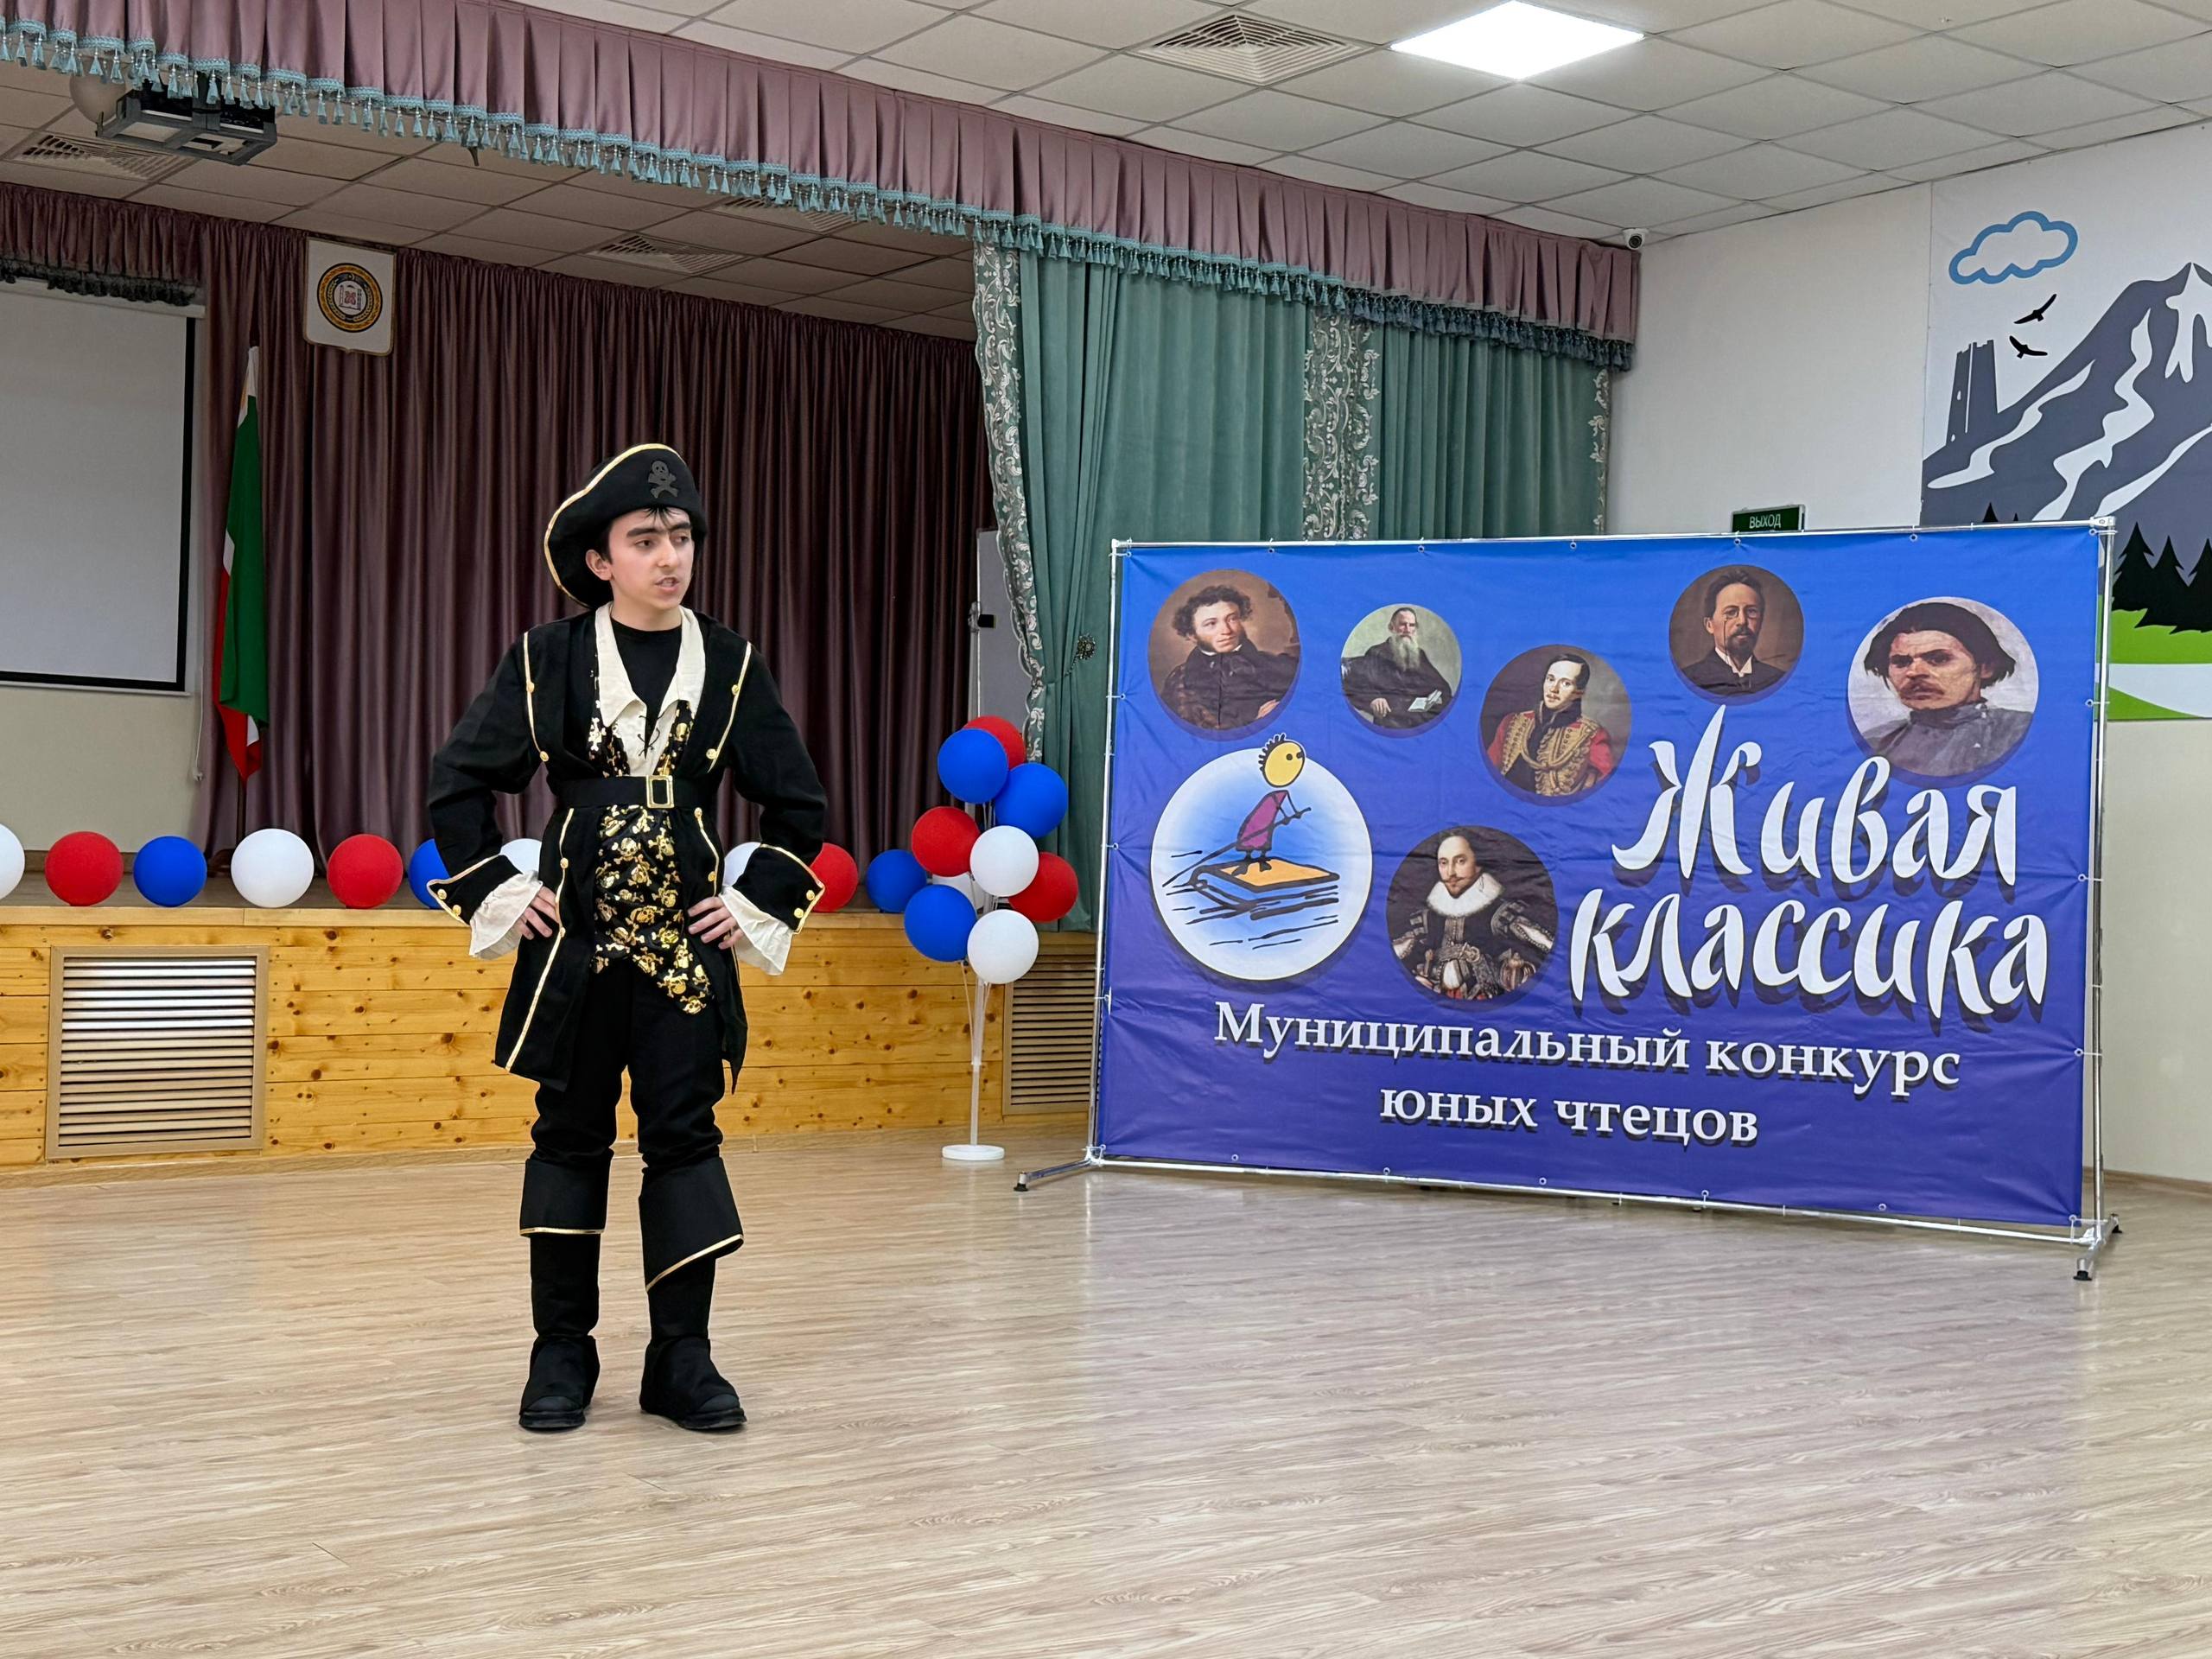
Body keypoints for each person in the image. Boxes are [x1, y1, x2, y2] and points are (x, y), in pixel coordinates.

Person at [427, 444, 828, 1435]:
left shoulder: (731, 664)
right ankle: (560, 1353)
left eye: (680, 536)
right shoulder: (547, 658)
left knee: (684, 1140)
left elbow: (798, 804)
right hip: (572, 948)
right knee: (568, 1137)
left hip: (684, 957)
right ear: (600, 561)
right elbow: (459, 782)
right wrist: (497, 889)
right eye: (645, 540)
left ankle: (681, 1361)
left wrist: (754, 902)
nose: (669, 556)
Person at [1859, 600, 2032, 777]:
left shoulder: (2023, 730)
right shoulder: (1875, 742)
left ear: (1985, 667)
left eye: (1939, 659)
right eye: (1901, 662)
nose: (1914, 672)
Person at [1392, 830, 1546, 1000]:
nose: (1450, 872)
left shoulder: (1501, 913)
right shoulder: (1427, 919)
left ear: (1478, 862)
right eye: (1443, 863)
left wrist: (1513, 973)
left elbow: (1545, 951)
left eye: (1460, 861)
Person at [1160, 583, 1297, 729]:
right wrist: (1256, 724)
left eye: (1232, 619)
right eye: (1211, 624)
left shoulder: (1275, 664)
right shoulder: (1179, 680)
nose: (1226, 630)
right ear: (1192, 635)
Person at [1485, 654, 1617, 798]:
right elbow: (1488, 772)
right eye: (1550, 679)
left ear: (1579, 692)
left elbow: (1607, 788)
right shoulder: (1512, 722)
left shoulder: (1592, 734)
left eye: (1566, 683)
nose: (1554, 689)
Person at [1680, 569, 1787, 696]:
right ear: (1710, 625)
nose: (1742, 621)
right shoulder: (1688, 680)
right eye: (1731, 612)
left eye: (1751, 611)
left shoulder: (1779, 680)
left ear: (1761, 621)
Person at [1342, 607, 1454, 728]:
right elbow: (1358, 684)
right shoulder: (1376, 652)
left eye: (1412, 625)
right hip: (1392, 720)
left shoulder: (1419, 654)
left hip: (1419, 719)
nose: (1407, 630)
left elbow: (1441, 685)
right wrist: (1374, 699)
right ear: (1391, 627)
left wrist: (1435, 699)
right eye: (1403, 624)